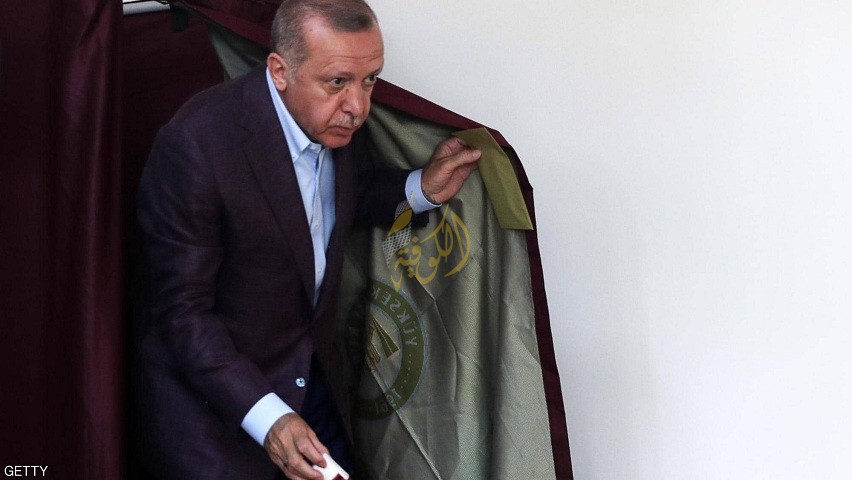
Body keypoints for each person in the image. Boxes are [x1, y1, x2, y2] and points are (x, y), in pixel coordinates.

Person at [133, 1, 480, 479]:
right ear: (280, 71)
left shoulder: (331, 119)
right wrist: (269, 418)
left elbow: (341, 195)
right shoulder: (196, 146)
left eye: (370, 80)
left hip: (309, 384)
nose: (358, 107)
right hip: (216, 419)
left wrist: (421, 188)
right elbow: (181, 313)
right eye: (337, 81)